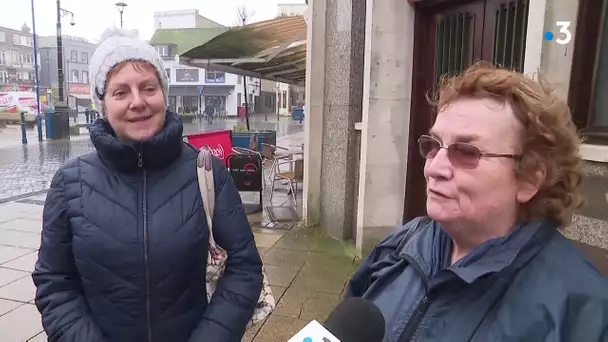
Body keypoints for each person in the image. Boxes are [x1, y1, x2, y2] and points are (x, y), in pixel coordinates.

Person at [346, 63, 608, 341]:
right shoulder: (399, 247)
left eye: (466, 152)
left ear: (530, 178)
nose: (434, 168)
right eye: (434, 145)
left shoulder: (581, 314)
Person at [32, 28, 263, 342]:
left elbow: (244, 268)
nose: (137, 102)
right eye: (121, 92)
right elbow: (55, 284)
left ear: (164, 95)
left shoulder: (208, 172)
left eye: (148, 88)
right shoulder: (70, 183)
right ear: (103, 104)